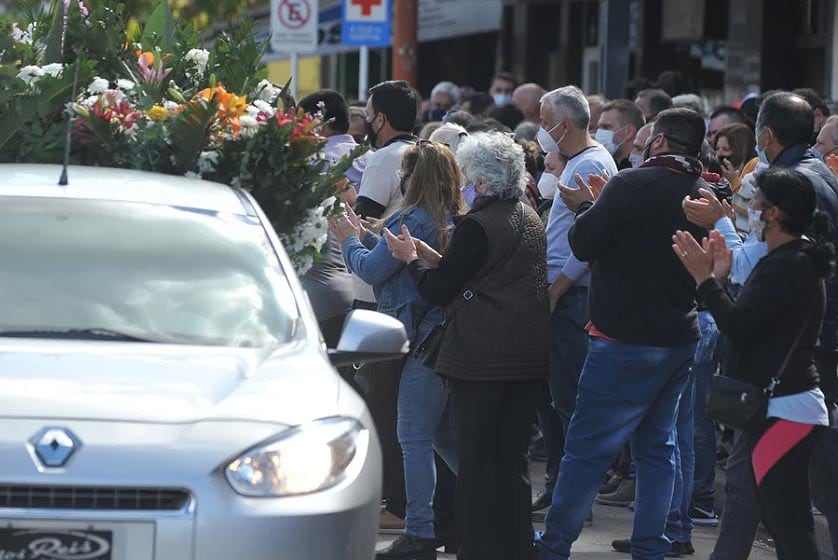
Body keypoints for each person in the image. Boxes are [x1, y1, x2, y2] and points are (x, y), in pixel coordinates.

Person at [536, 108, 709, 560]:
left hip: (624, 339)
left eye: (649, 140)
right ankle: (652, 542)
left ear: (662, 143)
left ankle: (554, 544)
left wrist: (588, 207)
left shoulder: (632, 184)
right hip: (677, 336)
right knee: (658, 447)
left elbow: (583, 242)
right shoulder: (703, 193)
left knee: (588, 448)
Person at [684, 91, 838, 560]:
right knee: (774, 505)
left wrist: (707, 281)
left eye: (757, 201)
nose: (748, 204)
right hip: (781, 399)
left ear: (775, 212)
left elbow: (739, 323)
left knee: (791, 514)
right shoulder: (795, 257)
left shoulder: (789, 263)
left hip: (785, 403)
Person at [385, 132, 549, 560]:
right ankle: (517, 546)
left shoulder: (478, 224)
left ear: (481, 180)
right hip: (525, 356)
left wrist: (412, 261)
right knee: (512, 462)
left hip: (482, 357)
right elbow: (481, 273)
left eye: (466, 177)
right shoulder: (527, 216)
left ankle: (478, 548)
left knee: (477, 461)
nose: (462, 186)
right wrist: (431, 257)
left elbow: (440, 290)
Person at [332, 142, 465, 560]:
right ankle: (487, 510)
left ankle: (420, 533)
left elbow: (371, 269)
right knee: (442, 438)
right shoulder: (450, 217)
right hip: (441, 335)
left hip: (418, 340)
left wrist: (349, 240)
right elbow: (390, 253)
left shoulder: (411, 216)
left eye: (406, 173)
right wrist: (366, 234)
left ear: (413, 177)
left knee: (414, 436)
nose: (401, 180)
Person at [539, 87, 618, 483]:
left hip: (573, 296)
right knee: (561, 398)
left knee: (568, 399)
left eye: (544, 122)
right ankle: (565, 485)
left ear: (563, 125)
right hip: (569, 292)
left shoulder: (589, 165)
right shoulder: (581, 162)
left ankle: (571, 491)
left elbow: (588, 243)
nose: (541, 132)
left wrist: (556, 290)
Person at [355, 79, 419, 529]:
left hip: (379, 286)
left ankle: (396, 502)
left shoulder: (384, 157)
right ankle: (401, 499)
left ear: (381, 118)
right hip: (410, 288)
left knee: (384, 400)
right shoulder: (422, 151)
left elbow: (362, 216)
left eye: (370, 112)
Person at [296, 89, 371, 347]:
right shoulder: (371, 159)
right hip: (368, 281)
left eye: (302, 123)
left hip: (322, 289)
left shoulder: (311, 164)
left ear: (319, 124)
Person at [595, 99, 646, 170]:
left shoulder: (641, 168)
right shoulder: (604, 166)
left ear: (629, 132)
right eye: (599, 128)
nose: (599, 133)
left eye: (606, 127)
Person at [713, 123, 756, 194]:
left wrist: (733, 182)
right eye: (717, 148)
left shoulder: (754, 171)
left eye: (726, 149)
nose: (719, 154)